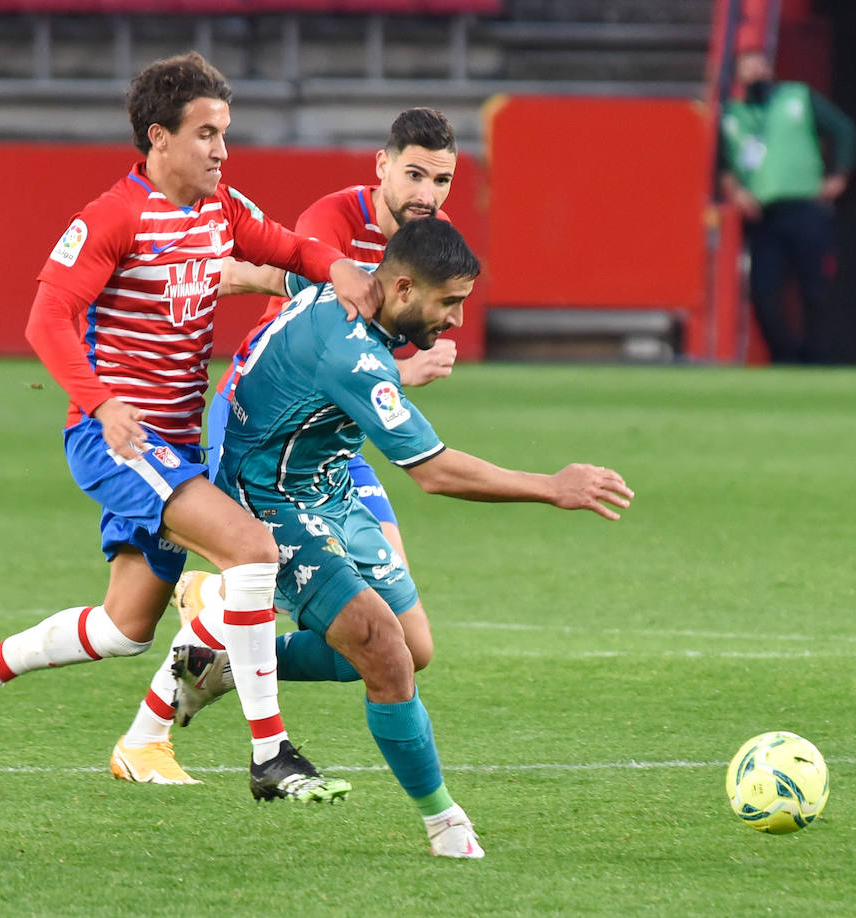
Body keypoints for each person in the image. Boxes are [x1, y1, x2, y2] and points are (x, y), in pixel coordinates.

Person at [0, 51, 382, 803]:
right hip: (121, 441)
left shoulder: (220, 210)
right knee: (250, 550)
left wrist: (339, 269)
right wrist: (102, 402)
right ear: (158, 138)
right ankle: (270, 755)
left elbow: (290, 250)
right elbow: (47, 318)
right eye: (206, 133)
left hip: (172, 446)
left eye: (225, 133)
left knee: (124, 627)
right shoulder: (112, 216)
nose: (221, 150)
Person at [161, 217, 634, 857]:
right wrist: (553, 485)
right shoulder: (352, 354)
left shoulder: (352, 286)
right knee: (384, 650)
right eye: (450, 303)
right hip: (265, 497)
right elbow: (434, 473)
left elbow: (273, 265)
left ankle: (217, 665)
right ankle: (444, 822)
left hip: (324, 480)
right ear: (405, 288)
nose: (458, 323)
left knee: (415, 647)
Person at [108, 109, 462, 761]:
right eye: (414, 174)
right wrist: (399, 373)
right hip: (269, 431)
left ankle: (216, 659)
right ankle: (152, 734)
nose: (427, 195)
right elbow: (303, 332)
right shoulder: (331, 223)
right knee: (284, 594)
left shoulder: (430, 246)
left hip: (336, 444)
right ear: (382, 166)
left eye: (440, 181)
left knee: (408, 644)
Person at [718, 47, 856, 364]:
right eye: (747, 68)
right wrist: (737, 192)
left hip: (806, 209)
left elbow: (844, 130)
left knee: (816, 291)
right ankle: (786, 357)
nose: (756, 73)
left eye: (760, 65)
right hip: (764, 217)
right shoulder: (732, 116)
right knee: (764, 295)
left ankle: (818, 360)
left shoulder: (798, 97)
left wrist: (839, 175)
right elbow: (721, 165)